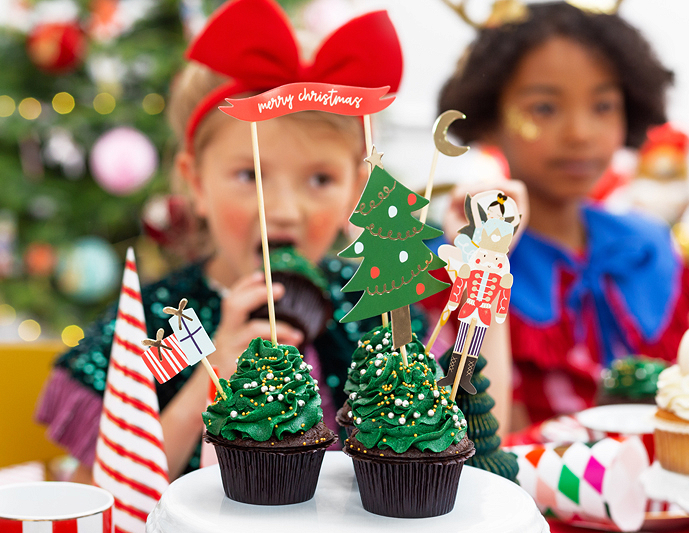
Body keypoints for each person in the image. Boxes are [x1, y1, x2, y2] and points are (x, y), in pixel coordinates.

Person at [35, 0, 415, 482]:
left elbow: (466, 442)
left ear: (356, 192)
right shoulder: (158, 324)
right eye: (249, 175)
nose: (283, 210)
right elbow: (99, 491)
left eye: (320, 179)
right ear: (196, 182)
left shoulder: (374, 311)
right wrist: (212, 370)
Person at [436, 2, 689, 428]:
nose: (580, 133)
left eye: (603, 106)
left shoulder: (649, 247)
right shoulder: (458, 262)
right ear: (489, 118)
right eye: (544, 108)